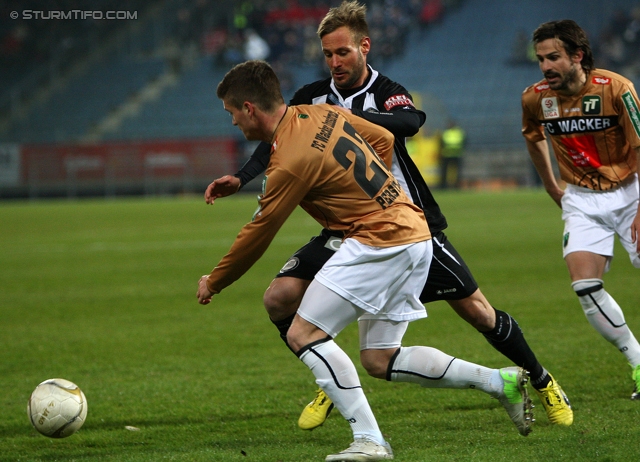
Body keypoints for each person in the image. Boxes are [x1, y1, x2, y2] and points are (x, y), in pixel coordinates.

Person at [205, 0, 572, 429]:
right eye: (327, 54)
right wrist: (242, 176)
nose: (335, 61)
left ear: (365, 47)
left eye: (343, 52)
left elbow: (411, 120)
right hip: (347, 227)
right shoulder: (311, 97)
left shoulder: (385, 89)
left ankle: (543, 380)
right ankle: (333, 382)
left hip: (405, 217)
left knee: (477, 312)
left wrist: (348, 119)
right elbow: (274, 140)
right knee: (281, 297)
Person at [522, 19, 640, 399]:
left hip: (631, 192)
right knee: (586, 287)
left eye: (553, 57)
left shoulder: (616, 89)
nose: (545, 67)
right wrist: (550, 185)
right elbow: (533, 136)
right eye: (540, 59)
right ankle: (638, 361)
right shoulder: (535, 98)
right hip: (582, 200)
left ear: (577, 56)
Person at [439, 119, 466, 189]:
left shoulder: (446, 133)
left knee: (448, 171)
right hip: (452, 154)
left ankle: (446, 185)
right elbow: (464, 142)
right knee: (453, 171)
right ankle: (452, 185)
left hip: (450, 154)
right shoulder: (459, 132)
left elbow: (442, 143)